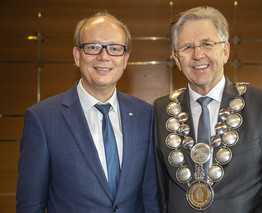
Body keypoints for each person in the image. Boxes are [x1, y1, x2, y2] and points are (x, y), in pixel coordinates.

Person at [153, 6, 262, 213]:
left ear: (225, 51)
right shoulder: (161, 109)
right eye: (187, 47)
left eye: (207, 44)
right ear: (177, 59)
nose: (198, 55)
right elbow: (157, 190)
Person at [16, 11, 161, 213]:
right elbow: (31, 206)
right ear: (77, 56)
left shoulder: (145, 114)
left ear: (125, 59)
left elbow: (151, 197)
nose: (104, 56)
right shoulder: (42, 119)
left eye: (114, 48)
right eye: (93, 47)